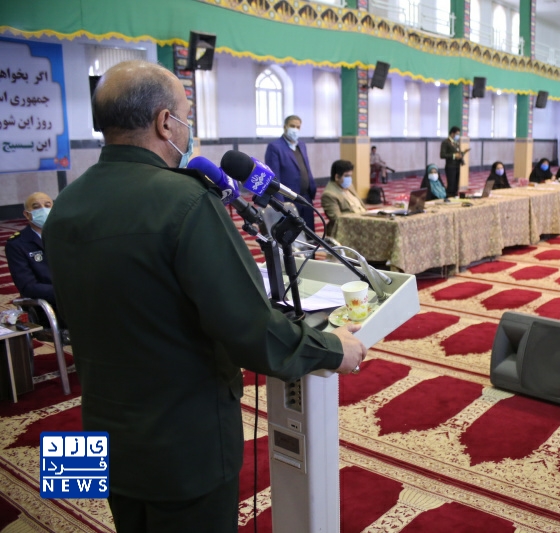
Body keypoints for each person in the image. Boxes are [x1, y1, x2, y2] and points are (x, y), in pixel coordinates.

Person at [42, 60, 366, 533]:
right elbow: (249, 329)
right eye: (186, 116)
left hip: (102, 436)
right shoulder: (186, 202)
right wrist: (335, 349)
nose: (188, 128)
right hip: (183, 442)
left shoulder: (65, 205)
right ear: (164, 122)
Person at [263, 115, 317, 228]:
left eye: (298, 127)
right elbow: (274, 177)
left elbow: (306, 167)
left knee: (309, 231)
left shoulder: (301, 145)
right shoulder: (275, 147)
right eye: (292, 126)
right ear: (285, 127)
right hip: (289, 199)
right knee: (294, 232)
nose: (295, 129)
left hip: (306, 198)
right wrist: (281, 203)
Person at [5, 192, 56, 310]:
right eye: (36, 207)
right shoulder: (17, 244)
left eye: (47, 206)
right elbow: (28, 286)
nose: (43, 210)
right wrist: (64, 292)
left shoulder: (65, 237)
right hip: (51, 302)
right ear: (27, 214)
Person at [321, 159, 366, 235]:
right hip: (346, 231)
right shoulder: (329, 194)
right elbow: (338, 220)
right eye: (346, 176)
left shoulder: (348, 186)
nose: (349, 179)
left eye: (350, 176)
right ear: (337, 177)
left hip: (363, 223)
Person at [440, 126, 467, 197]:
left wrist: (462, 154)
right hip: (450, 166)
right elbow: (442, 155)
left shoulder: (456, 143)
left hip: (457, 166)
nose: (458, 136)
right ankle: (449, 197)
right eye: (457, 134)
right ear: (452, 133)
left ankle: (455, 196)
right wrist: (454, 156)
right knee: (451, 185)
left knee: (456, 185)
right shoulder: (446, 142)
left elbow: (457, 152)